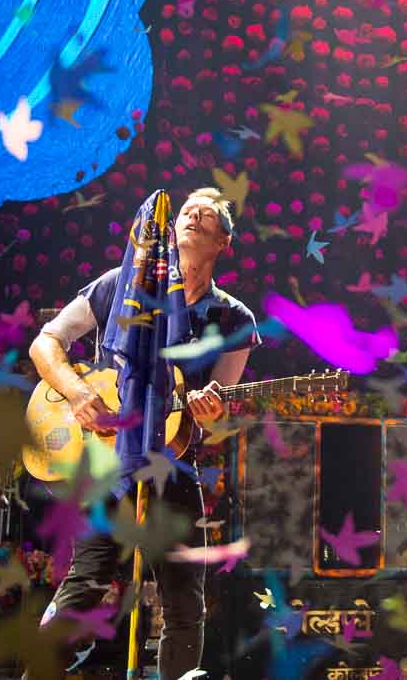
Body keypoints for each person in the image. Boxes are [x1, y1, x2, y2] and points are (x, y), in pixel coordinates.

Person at [26, 187, 260, 680]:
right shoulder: (117, 285)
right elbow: (46, 343)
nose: (193, 214)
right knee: (85, 584)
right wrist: (76, 392)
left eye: (209, 213)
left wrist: (209, 411)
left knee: (183, 602)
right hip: (109, 460)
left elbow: (217, 424)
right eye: (188, 210)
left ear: (224, 241)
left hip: (173, 467)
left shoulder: (235, 319)